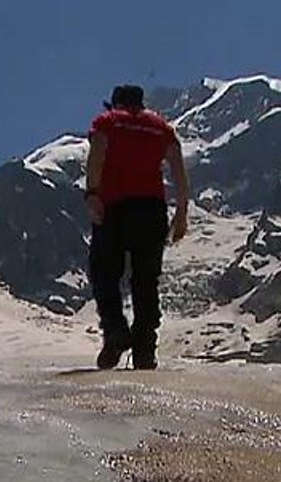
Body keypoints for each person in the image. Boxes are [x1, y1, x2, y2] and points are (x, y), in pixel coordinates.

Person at [85, 84, 189, 370]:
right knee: (145, 281)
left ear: (115, 103)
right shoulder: (160, 127)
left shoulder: (108, 122)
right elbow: (178, 168)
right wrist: (182, 212)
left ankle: (116, 331)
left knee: (104, 272)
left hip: (115, 209)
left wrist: (92, 193)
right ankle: (144, 350)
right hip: (151, 210)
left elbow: (97, 154)